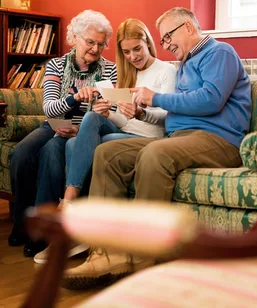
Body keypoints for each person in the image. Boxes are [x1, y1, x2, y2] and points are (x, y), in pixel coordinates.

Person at [62, 7, 252, 289]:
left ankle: (142, 256)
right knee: (107, 153)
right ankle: (105, 252)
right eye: (163, 40)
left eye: (167, 37)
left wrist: (157, 98)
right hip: (183, 139)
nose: (166, 45)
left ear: (188, 28)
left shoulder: (219, 52)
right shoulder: (187, 63)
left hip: (219, 140)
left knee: (155, 153)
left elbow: (211, 100)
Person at [32, 19, 177, 263]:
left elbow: (168, 118)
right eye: (126, 52)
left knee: (75, 144)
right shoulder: (128, 73)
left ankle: (70, 209)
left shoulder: (167, 71)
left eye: (137, 49)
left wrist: (140, 112)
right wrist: (109, 112)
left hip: (148, 136)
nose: (132, 56)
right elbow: (123, 118)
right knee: (89, 119)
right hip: (125, 129)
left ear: (148, 43)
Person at [7, 9, 116, 258]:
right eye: (90, 42)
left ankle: (43, 231)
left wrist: (87, 122)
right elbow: (49, 108)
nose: (95, 49)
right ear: (74, 38)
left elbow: (110, 110)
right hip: (55, 123)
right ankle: (21, 224)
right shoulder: (56, 65)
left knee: (50, 152)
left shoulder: (110, 70)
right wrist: (74, 97)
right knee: (21, 153)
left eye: (101, 44)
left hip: (83, 130)